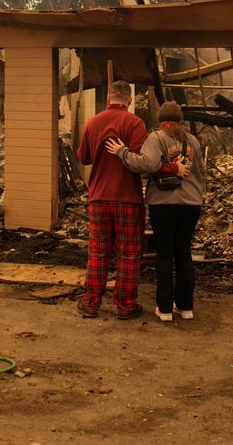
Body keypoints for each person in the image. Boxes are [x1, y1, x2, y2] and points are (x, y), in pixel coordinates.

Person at [75, 81, 182, 319]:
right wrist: (173, 169)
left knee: (98, 252)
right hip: (128, 200)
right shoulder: (134, 123)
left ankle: (91, 303)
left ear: (109, 98)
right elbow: (145, 163)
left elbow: (83, 158)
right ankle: (125, 305)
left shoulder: (92, 122)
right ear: (130, 100)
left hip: (99, 198)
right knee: (129, 254)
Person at [106, 101, 205, 322]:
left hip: (164, 204)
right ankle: (186, 308)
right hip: (191, 205)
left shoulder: (157, 137)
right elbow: (201, 174)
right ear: (179, 118)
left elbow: (147, 164)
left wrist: (122, 152)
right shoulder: (193, 141)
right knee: (184, 254)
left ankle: (165, 310)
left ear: (161, 119)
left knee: (164, 255)